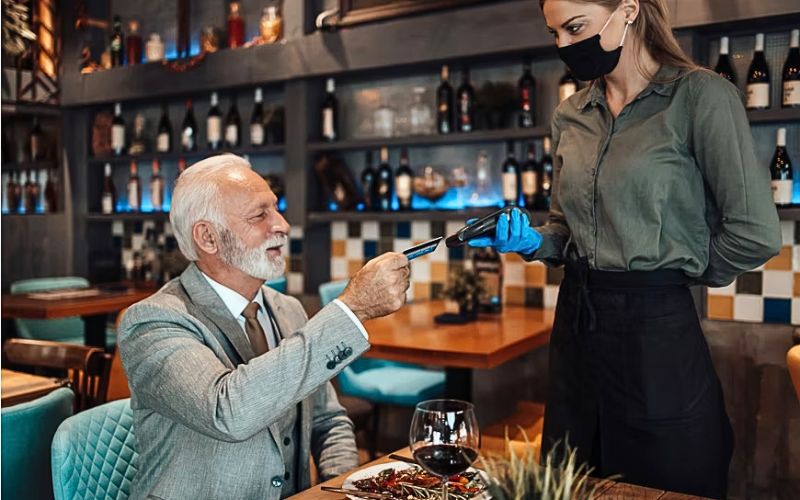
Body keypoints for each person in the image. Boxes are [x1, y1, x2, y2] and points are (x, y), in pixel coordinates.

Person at [468, 0, 781, 498]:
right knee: (571, 481)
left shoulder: (700, 97)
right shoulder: (570, 115)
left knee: (664, 481)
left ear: (628, 10)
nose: (564, 46)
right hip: (576, 326)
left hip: (656, 334)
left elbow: (755, 233)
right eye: (554, 34)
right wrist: (532, 241)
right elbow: (564, 230)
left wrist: (670, 274)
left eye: (575, 28)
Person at [118, 154, 410, 500]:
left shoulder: (288, 310)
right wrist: (352, 309)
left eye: (276, 208)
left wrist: (340, 491)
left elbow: (328, 421)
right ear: (208, 237)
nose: (282, 225)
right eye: (260, 215)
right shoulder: (152, 321)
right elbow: (227, 411)